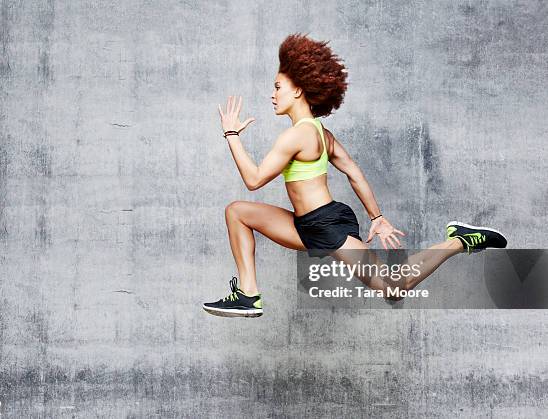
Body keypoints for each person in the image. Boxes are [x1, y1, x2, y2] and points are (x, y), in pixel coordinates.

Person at [202, 34, 507, 318]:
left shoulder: (296, 136)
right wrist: (376, 217)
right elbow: (353, 171)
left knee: (393, 287)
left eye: (278, 87)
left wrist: (231, 134)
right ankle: (248, 294)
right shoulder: (322, 133)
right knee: (237, 212)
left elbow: (254, 180)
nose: (272, 95)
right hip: (305, 224)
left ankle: (459, 241)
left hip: (324, 226)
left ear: (298, 89)